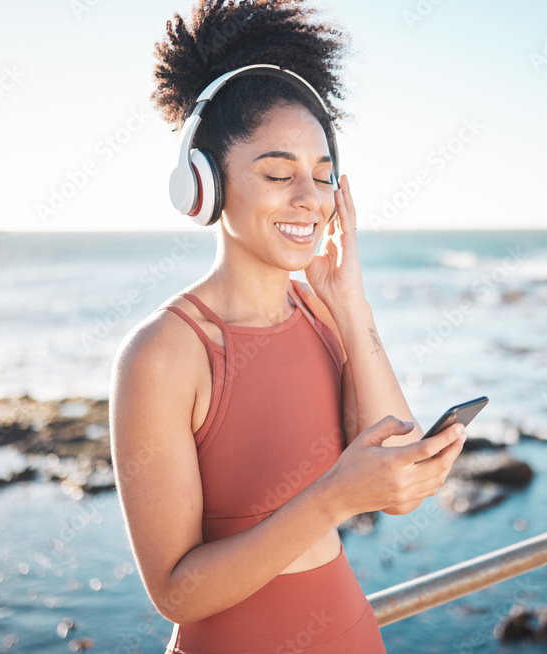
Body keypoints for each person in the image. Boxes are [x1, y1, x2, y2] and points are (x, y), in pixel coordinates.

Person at [109, 1, 467, 651]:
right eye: (278, 173)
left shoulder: (327, 314)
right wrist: (331, 499)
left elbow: (399, 491)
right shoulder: (163, 353)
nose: (309, 198)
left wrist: (351, 303)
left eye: (324, 177)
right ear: (204, 184)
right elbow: (175, 591)